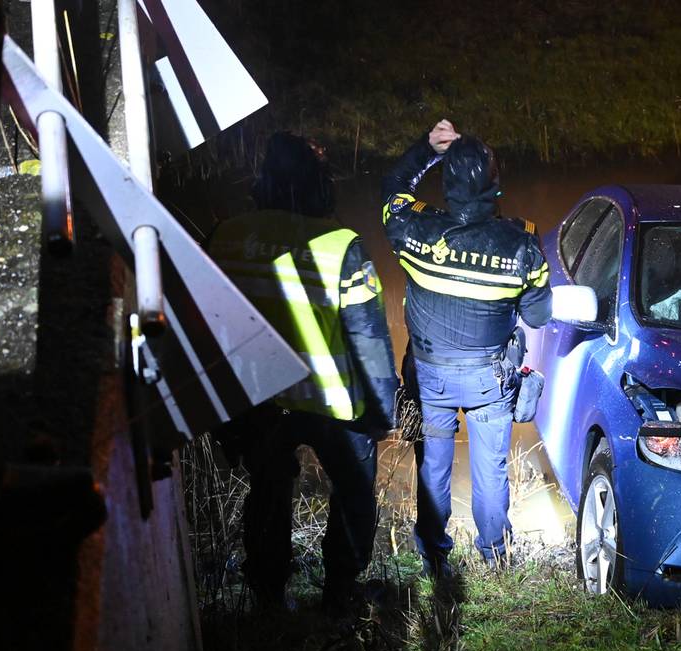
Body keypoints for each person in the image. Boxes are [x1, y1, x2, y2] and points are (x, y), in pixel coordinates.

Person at [210, 132, 398, 614]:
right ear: (318, 184)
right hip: (330, 400)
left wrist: (220, 415)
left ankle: (268, 592)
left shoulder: (226, 235)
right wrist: (381, 413)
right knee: (354, 489)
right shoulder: (341, 245)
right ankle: (340, 589)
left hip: (257, 396)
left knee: (268, 487)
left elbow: (206, 323)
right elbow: (370, 342)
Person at [382, 120, 551, 573]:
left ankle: (434, 555)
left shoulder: (411, 230)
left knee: (432, 463)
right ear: (495, 187)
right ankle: (496, 555)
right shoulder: (524, 245)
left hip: (431, 377)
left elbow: (393, 188)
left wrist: (426, 150)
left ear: (447, 184)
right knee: (491, 470)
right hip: (489, 382)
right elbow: (537, 316)